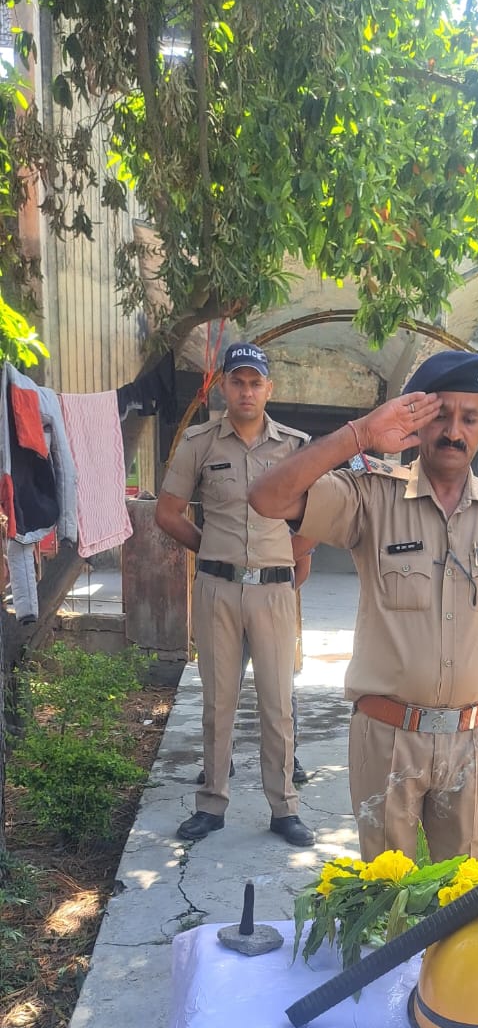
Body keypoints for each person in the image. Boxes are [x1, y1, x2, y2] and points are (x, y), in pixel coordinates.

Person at [249, 349, 478, 862]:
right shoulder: (372, 498)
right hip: (388, 740)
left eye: (468, 419)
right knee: (391, 901)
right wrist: (358, 434)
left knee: (463, 903)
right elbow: (267, 497)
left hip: (476, 742)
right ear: (416, 420)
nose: (454, 432)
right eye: (440, 415)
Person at [155, 343, 314, 846]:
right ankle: (212, 804)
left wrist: (288, 556)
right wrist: (213, 553)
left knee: (277, 703)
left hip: (273, 593)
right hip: (218, 591)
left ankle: (284, 809)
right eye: (237, 381)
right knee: (217, 701)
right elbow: (168, 511)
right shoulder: (200, 442)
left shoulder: (295, 447)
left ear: (270, 388)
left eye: (255, 382)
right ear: (223, 386)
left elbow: (320, 515)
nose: (246, 391)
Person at [196, 530, 313, 787]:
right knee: (222, 689)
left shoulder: (281, 511)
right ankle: (220, 762)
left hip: (270, 608)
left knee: (281, 693)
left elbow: (302, 564)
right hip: (226, 606)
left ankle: (288, 760)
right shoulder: (226, 515)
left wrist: (273, 596)